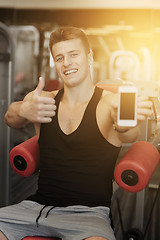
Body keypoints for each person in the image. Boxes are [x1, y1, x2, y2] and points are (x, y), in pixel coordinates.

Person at [2, 26, 153, 240]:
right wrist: (23, 109)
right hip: (34, 209)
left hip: (88, 215)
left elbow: (129, 134)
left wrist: (124, 123)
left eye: (74, 55)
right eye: (60, 57)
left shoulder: (108, 103)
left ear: (89, 57)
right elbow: (10, 118)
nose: (67, 63)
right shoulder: (44, 99)